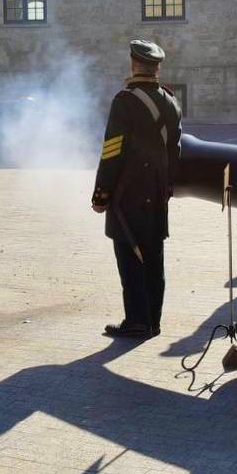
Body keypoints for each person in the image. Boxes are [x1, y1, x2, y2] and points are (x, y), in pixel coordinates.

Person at [91, 39, 182, 338]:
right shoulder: (170, 101)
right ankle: (153, 320)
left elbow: (112, 151)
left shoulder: (125, 101)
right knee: (154, 258)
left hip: (127, 195)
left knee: (130, 258)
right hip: (156, 194)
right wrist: (167, 187)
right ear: (156, 67)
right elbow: (174, 152)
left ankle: (136, 321)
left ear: (134, 64)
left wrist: (102, 193)